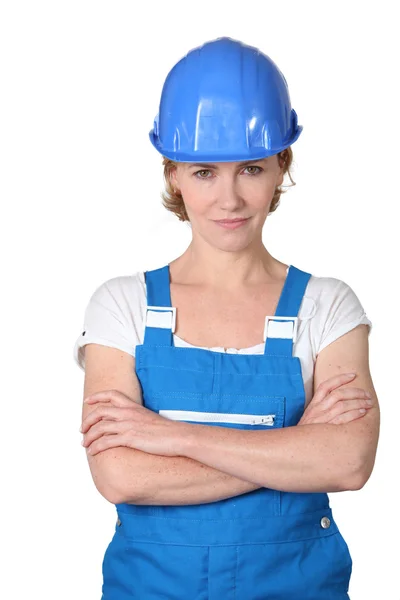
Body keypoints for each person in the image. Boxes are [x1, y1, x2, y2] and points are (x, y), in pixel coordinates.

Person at [75, 37, 380, 599]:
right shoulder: (121, 307)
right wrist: (295, 448)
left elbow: (348, 461)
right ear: (172, 173)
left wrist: (168, 437)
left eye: (252, 168)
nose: (230, 199)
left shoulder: (328, 308)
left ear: (281, 165)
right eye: (203, 172)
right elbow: (121, 476)